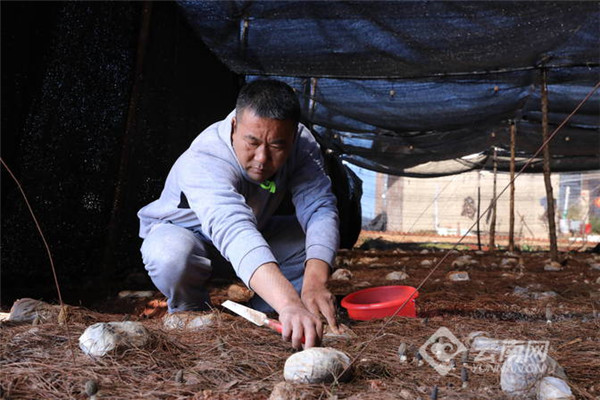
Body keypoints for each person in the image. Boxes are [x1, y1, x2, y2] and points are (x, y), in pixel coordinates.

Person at [137, 79, 341, 348]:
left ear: (293, 137)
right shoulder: (205, 157)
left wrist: (315, 281)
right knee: (169, 253)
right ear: (234, 126)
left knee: (310, 244)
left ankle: (267, 312)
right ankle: (191, 311)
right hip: (191, 239)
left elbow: (319, 208)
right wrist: (289, 302)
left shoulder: (302, 144)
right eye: (252, 142)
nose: (262, 158)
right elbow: (233, 229)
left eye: (276, 146)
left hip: (256, 232)